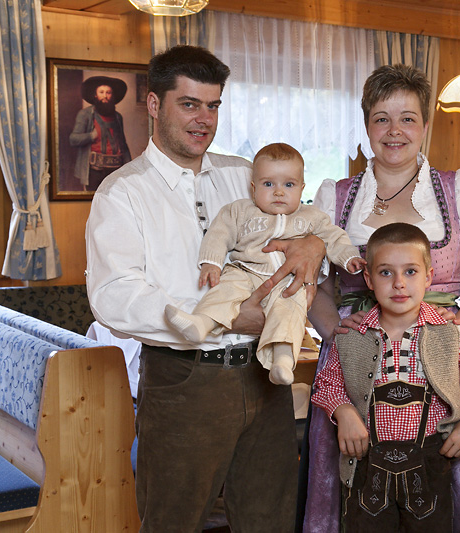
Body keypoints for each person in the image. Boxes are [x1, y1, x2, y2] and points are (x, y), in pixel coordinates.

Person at [85, 45, 325, 532]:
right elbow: (114, 296)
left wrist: (314, 246)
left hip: (265, 375)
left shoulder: (244, 174)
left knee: (271, 520)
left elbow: (299, 224)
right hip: (183, 381)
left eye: (213, 105)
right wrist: (229, 318)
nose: (204, 119)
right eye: (189, 104)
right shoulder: (123, 191)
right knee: (173, 522)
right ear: (155, 104)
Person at [301, 64, 460, 532]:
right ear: (366, 126)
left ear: (425, 125)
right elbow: (317, 286)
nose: (394, 130)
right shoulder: (333, 199)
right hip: (354, 365)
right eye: (381, 118)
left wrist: (451, 335)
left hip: (441, 363)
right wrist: (335, 334)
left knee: (438, 492)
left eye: (407, 118)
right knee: (355, 492)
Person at [312, 223, 460, 531]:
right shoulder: (351, 337)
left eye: (410, 272)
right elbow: (326, 384)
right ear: (368, 279)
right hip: (365, 469)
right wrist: (344, 412)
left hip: (431, 468)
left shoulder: (450, 334)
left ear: (428, 277)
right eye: (385, 272)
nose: (399, 284)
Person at [165, 142, 365, 385]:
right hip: (244, 270)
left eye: (288, 185)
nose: (278, 192)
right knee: (224, 291)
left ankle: (283, 360)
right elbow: (219, 233)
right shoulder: (240, 211)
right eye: (268, 184)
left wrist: (348, 257)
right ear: (254, 187)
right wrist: (211, 262)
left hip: (285, 282)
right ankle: (201, 323)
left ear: (302, 188)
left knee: (290, 308)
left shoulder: (311, 217)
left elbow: (335, 237)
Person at [69, 75, 132, 191]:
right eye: (101, 92)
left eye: (108, 92)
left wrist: (129, 168)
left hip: (116, 169)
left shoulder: (118, 117)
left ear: (112, 95)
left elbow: (123, 144)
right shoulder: (85, 114)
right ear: (95, 95)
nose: (105, 96)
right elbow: (73, 139)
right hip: (95, 171)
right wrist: (91, 136)